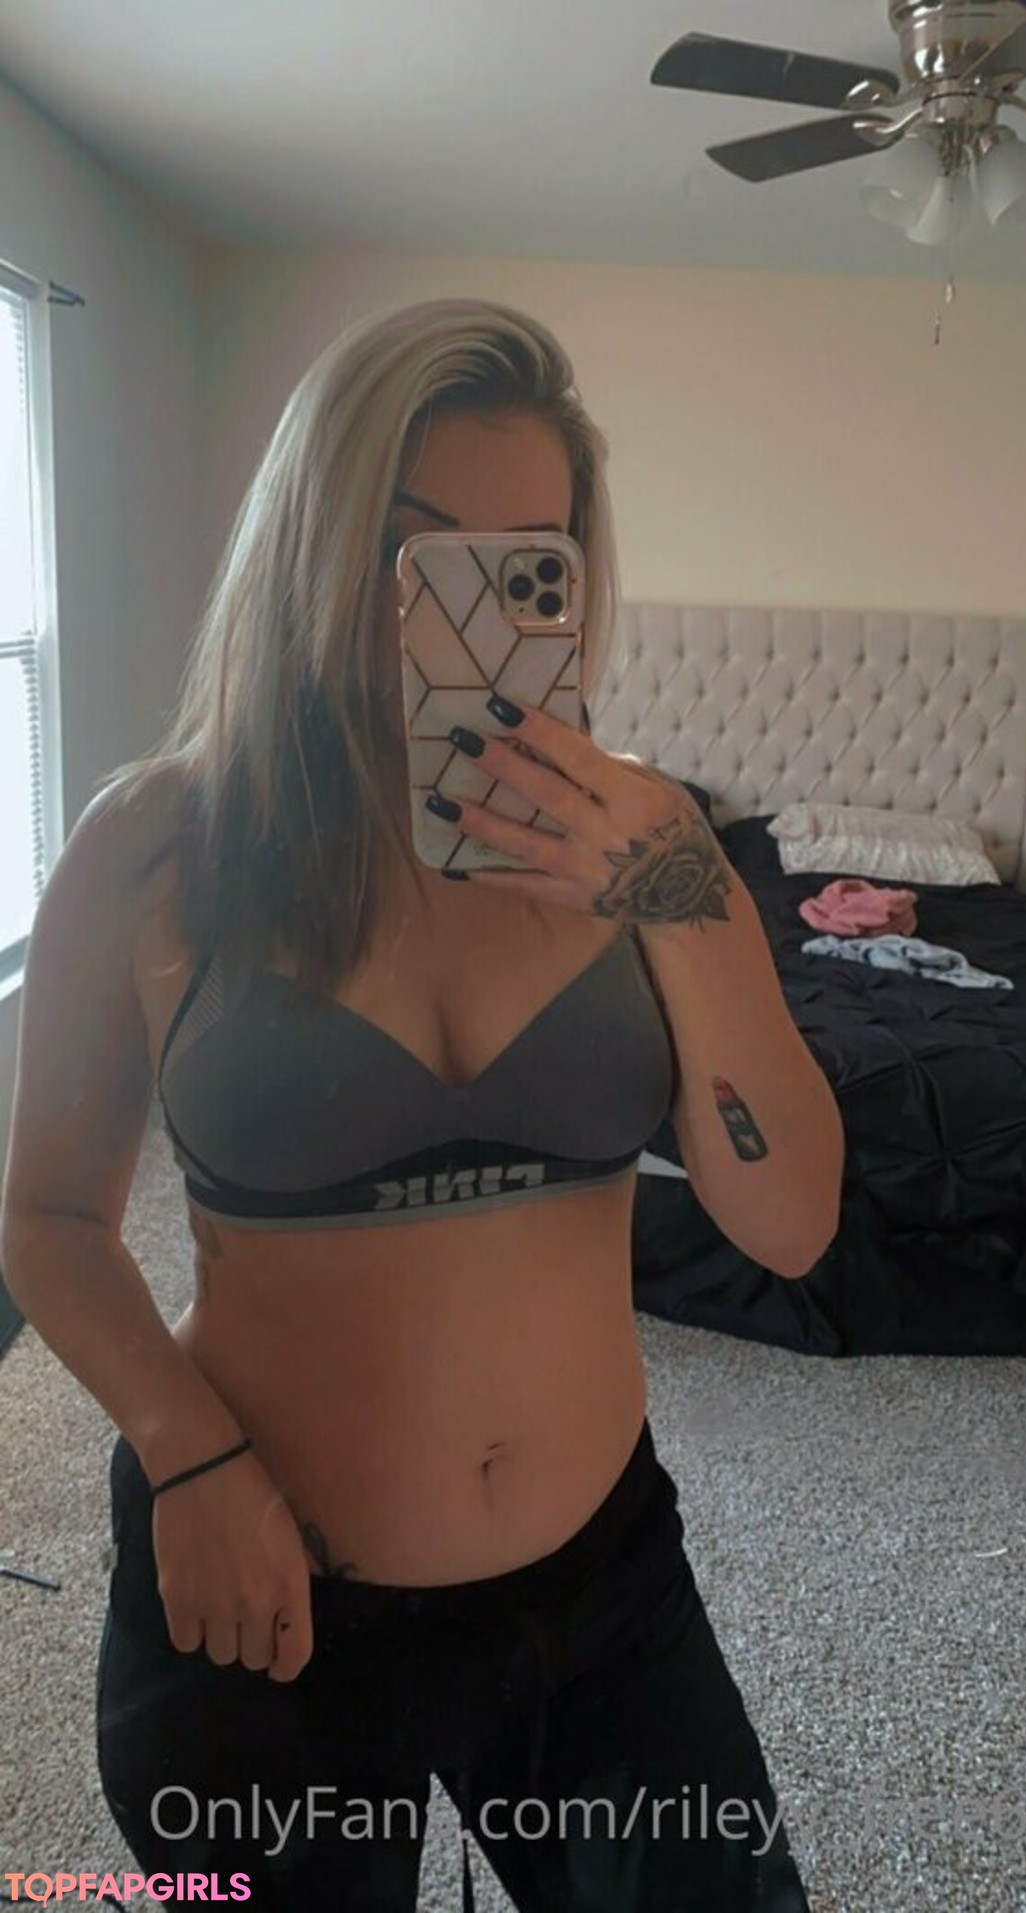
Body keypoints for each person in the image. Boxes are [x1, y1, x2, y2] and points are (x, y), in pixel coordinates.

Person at [0, 297, 844, 1910]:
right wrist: (184, 1453)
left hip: (599, 1594)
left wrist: (686, 893)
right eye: (412, 547)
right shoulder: (156, 848)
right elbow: (46, 1220)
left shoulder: (643, 839)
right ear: (313, 544)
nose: (458, 607)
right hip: (263, 1593)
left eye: (525, 562)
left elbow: (794, 1224)